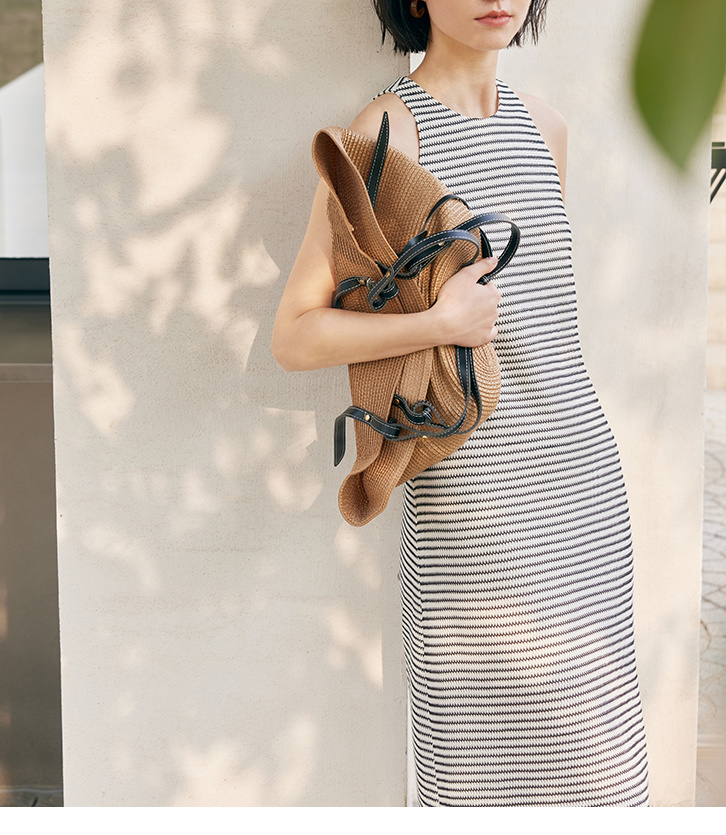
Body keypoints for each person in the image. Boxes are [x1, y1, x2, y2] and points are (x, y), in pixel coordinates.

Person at [272, 0, 649, 806]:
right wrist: (440, 324)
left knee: (604, 770)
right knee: (480, 768)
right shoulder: (389, 131)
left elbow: (545, 332)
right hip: (472, 508)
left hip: (583, 493)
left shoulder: (545, 128)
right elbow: (295, 334)